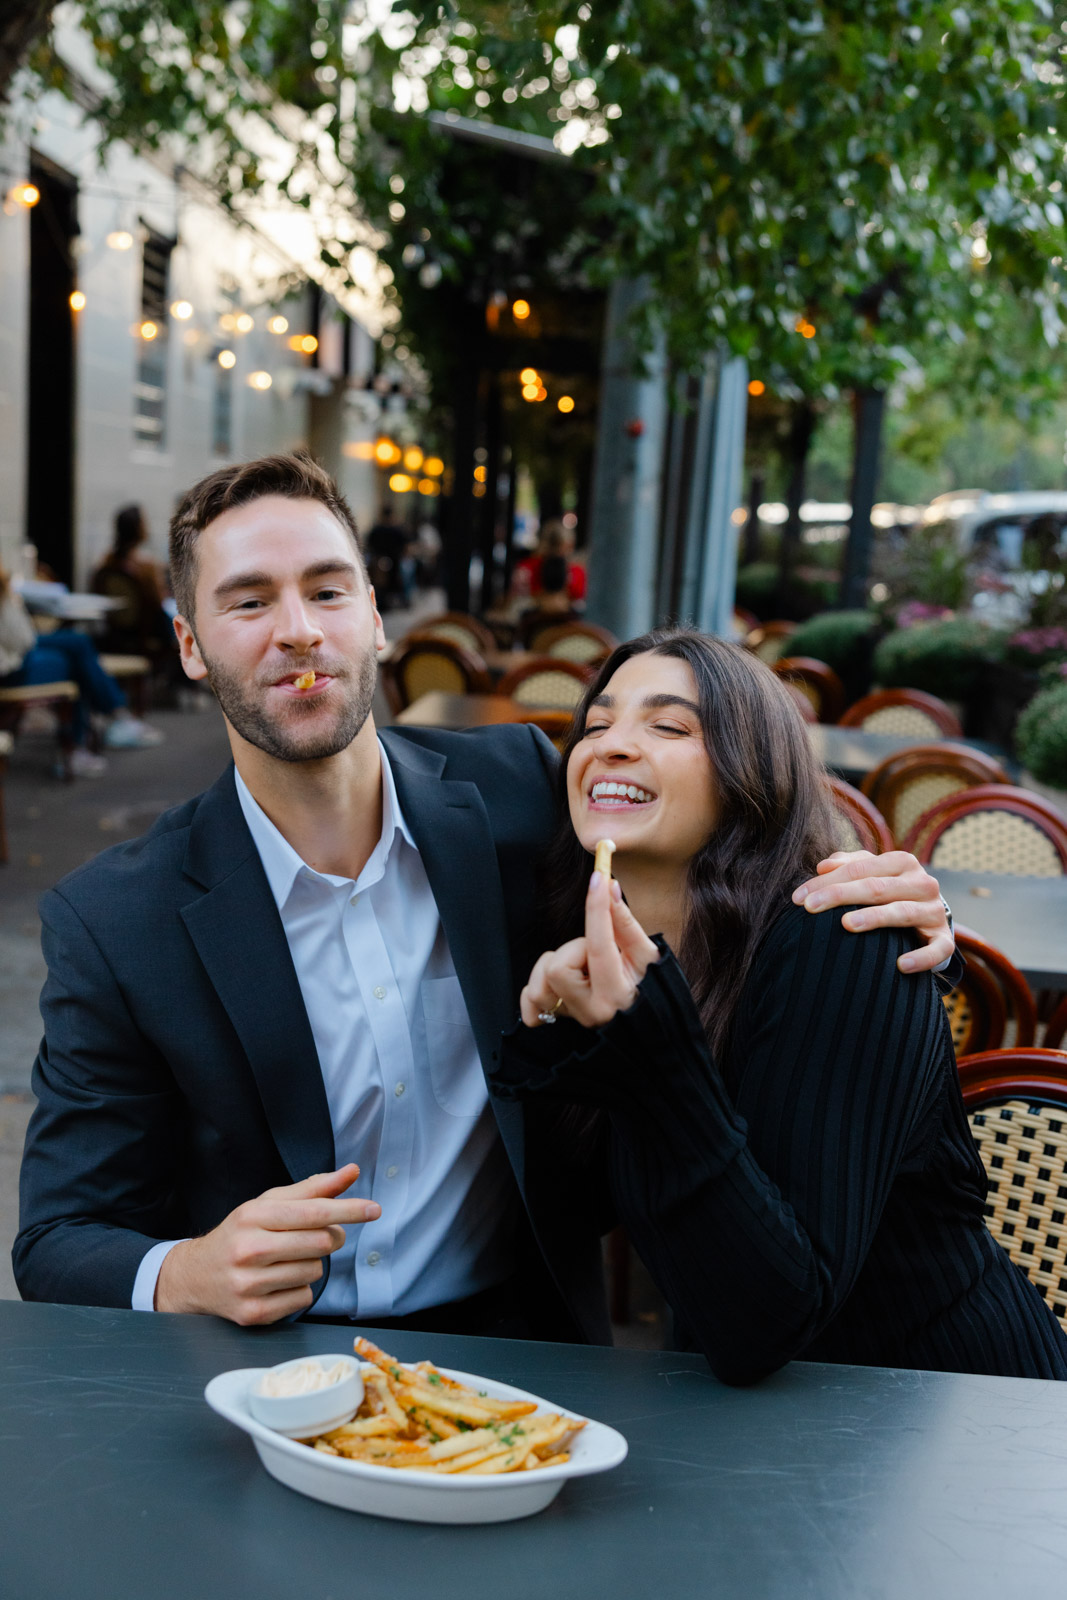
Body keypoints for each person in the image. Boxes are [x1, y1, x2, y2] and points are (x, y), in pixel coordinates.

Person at [15, 451, 955, 1339]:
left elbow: (711, 820)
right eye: (249, 601)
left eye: (328, 590)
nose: (298, 627)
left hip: (526, 1349)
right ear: (189, 643)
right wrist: (184, 1274)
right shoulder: (115, 921)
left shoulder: (517, 791)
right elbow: (58, 1241)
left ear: (376, 618)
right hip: (262, 1370)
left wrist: (875, 889)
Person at [492, 628, 1067, 1382]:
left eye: (668, 726)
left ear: (748, 773)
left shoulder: (845, 941)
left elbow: (767, 1324)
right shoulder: (596, 955)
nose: (612, 745)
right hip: (757, 1431)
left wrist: (649, 1060)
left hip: (945, 1410)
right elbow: (572, 1216)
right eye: (595, 724)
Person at [0, 563, 162, 776]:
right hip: (12, 666)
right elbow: (22, 639)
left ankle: (93, 735)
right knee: (74, 659)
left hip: (14, 656)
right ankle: (101, 727)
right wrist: (10, 598)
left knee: (78, 646)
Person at [92, 504, 175, 657]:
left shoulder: (105, 564)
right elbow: (158, 602)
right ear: (138, 529)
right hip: (147, 634)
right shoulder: (147, 566)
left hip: (116, 633)